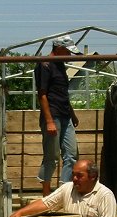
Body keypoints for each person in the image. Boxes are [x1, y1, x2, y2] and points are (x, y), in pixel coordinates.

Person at [35, 35, 81, 196]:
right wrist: (49, 121)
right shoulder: (45, 64)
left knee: (71, 154)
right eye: (68, 51)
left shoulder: (60, 65)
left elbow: (63, 93)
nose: (69, 55)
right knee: (52, 156)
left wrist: (72, 115)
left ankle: (64, 192)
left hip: (65, 115)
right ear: (59, 48)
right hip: (53, 116)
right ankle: (46, 196)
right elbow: (42, 94)